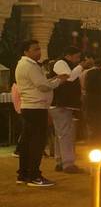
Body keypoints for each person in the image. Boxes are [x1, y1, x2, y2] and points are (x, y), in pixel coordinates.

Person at [15, 40, 68, 186]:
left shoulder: (24, 65)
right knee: (36, 143)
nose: (39, 52)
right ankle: (34, 176)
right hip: (35, 108)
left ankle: (23, 174)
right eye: (35, 49)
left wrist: (53, 80)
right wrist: (59, 81)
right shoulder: (29, 66)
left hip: (31, 107)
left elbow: (40, 83)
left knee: (27, 142)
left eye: (39, 49)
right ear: (26, 52)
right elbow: (43, 86)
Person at [50, 46, 85, 173]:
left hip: (62, 105)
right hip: (60, 105)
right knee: (66, 134)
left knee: (61, 134)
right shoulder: (61, 63)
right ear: (68, 56)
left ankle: (60, 161)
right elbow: (69, 78)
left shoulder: (64, 63)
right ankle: (68, 164)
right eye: (77, 57)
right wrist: (81, 66)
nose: (78, 60)